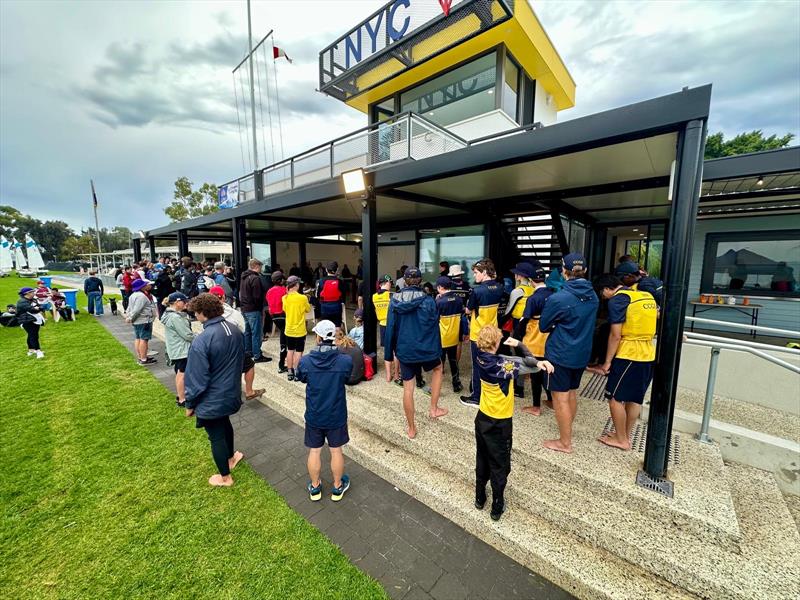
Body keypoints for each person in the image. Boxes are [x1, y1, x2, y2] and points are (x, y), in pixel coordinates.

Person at [473, 326, 553, 520]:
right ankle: (497, 505)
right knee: (500, 464)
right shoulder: (504, 365)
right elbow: (531, 364)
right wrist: (519, 344)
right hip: (500, 423)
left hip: (482, 418)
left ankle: (480, 497)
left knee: (482, 457)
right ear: (496, 343)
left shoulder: (480, 358)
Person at [539, 253, 599, 453]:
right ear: (585, 271)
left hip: (561, 352)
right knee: (572, 392)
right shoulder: (593, 295)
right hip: (582, 352)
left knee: (560, 397)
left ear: (564, 271)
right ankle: (567, 432)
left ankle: (565, 442)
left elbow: (544, 326)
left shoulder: (559, 298)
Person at [184, 293, 245, 487]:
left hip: (212, 397)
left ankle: (225, 477)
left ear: (203, 313)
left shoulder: (202, 340)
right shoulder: (235, 329)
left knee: (216, 435)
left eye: (196, 313)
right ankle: (230, 458)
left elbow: (196, 377)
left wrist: (190, 403)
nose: (195, 316)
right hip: (231, 392)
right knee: (225, 424)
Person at [594, 274, 657, 450]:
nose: (603, 298)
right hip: (648, 353)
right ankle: (625, 436)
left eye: (602, 294)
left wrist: (607, 362)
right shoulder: (645, 295)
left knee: (614, 397)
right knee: (634, 399)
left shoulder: (618, 301)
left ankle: (621, 440)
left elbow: (615, 335)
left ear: (607, 289)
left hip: (629, 354)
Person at [384, 267, 448, 439]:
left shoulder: (394, 300)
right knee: (438, 369)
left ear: (404, 281)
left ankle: (411, 428)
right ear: (420, 281)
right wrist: (437, 349)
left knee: (408, 389)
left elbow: (390, 328)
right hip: (427, 348)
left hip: (405, 351)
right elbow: (434, 324)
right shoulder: (429, 300)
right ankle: (433, 409)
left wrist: (388, 357)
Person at [295, 320, 353, 502]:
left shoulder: (305, 361)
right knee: (336, 451)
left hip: (315, 414)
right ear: (334, 337)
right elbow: (347, 377)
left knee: (315, 451)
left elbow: (301, 377)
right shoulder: (345, 360)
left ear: (318, 337)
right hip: (336, 413)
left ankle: (315, 487)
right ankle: (337, 487)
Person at [460, 259, 504, 408]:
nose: (474, 276)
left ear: (484, 272)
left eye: (476, 273)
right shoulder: (499, 287)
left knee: (478, 365)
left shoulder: (477, 291)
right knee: (490, 363)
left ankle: (477, 398)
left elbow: (468, 310)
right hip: (493, 332)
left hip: (478, 334)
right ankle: (488, 393)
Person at [209, 286, 265, 401]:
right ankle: (248, 391)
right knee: (248, 366)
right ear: (223, 297)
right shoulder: (233, 313)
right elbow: (242, 329)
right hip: (234, 348)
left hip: (216, 348)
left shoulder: (205, 314)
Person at [512, 261, 554, 416]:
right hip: (549, 341)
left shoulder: (533, 299)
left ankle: (536, 407)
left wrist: (517, 338)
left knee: (536, 373)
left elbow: (524, 321)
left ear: (530, 280)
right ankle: (551, 400)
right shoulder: (554, 294)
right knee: (547, 371)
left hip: (534, 340)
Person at [502, 263, 537, 397]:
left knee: (517, 354)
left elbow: (509, 311)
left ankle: (519, 388)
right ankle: (522, 383)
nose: (515, 275)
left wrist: (498, 325)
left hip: (518, 324)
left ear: (520, 276)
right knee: (524, 350)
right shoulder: (532, 289)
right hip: (529, 323)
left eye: (516, 273)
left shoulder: (517, 291)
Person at [160, 292, 194, 407]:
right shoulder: (175, 317)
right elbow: (187, 335)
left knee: (180, 371)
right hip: (181, 350)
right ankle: (182, 399)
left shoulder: (170, 314)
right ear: (177, 302)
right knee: (182, 373)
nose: (186, 303)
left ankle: (183, 394)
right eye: (184, 301)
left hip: (176, 349)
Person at [435, 276, 464, 393]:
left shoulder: (439, 302)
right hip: (454, 336)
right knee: (453, 361)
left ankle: (436, 388)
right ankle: (456, 384)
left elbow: (434, 319)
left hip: (442, 337)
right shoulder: (458, 299)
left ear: (440, 287)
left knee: (439, 364)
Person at [239, 258, 271, 363]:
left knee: (248, 332)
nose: (261, 269)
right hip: (253, 309)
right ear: (257, 267)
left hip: (244, 308)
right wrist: (260, 307)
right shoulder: (255, 278)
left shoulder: (244, 277)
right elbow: (257, 296)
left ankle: (248, 352)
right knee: (256, 333)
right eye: (260, 267)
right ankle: (257, 355)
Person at [283, 275, 312, 381]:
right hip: (300, 330)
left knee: (290, 350)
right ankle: (296, 372)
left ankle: (290, 371)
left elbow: (285, 309)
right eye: (298, 283)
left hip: (289, 329)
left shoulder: (285, 298)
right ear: (295, 285)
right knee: (299, 351)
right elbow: (308, 310)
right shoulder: (303, 298)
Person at [126, 278, 158, 366]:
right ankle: (143, 359)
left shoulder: (133, 295)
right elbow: (137, 309)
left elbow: (129, 308)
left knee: (138, 338)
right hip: (144, 320)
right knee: (144, 339)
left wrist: (129, 317)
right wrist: (130, 318)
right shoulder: (141, 296)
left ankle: (141, 357)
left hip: (138, 321)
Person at [372, 275, 397, 382]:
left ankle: (388, 376)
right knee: (396, 351)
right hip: (393, 324)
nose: (391, 284)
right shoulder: (392, 295)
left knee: (387, 350)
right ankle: (396, 374)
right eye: (390, 282)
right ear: (386, 283)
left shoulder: (374, 296)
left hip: (382, 325)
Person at [266, 271, 289, 373]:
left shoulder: (269, 291)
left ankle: (281, 363)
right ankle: (283, 364)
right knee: (286, 340)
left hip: (274, 317)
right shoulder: (284, 290)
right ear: (281, 280)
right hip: (284, 315)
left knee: (283, 337)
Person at [16, 287, 45, 358]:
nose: (34, 293)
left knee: (31, 335)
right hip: (27, 321)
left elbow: (40, 306)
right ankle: (38, 351)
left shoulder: (33, 299)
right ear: (27, 293)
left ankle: (31, 350)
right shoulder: (22, 302)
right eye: (32, 292)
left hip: (35, 319)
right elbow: (32, 310)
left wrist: (38, 308)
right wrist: (38, 309)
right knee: (33, 336)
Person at [316, 261, 344, 327]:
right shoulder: (340, 281)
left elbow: (317, 295)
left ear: (326, 270)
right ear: (337, 270)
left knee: (325, 328)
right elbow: (343, 295)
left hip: (324, 308)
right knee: (337, 328)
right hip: (337, 308)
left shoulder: (320, 281)